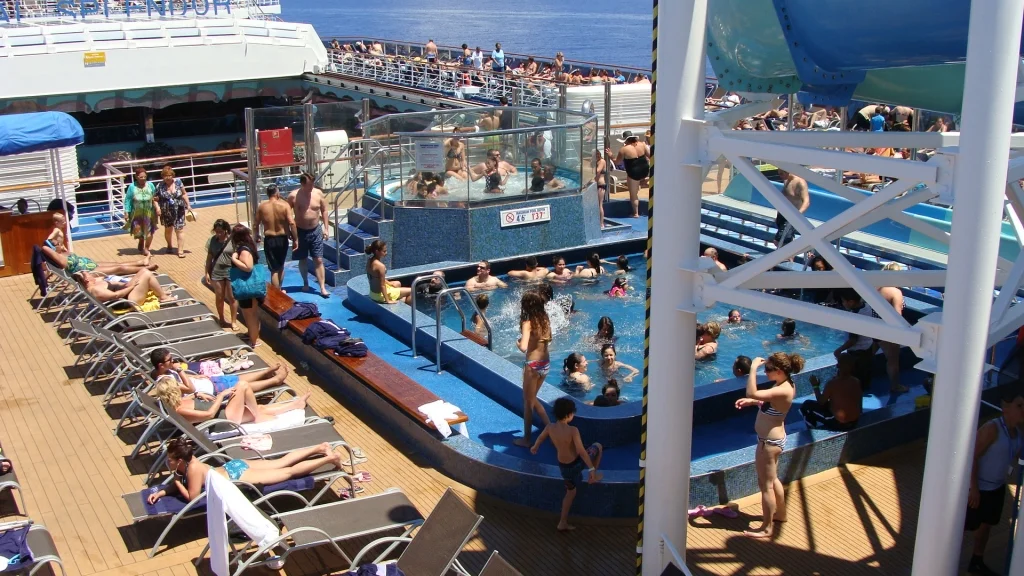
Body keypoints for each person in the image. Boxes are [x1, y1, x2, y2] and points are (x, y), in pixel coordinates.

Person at [145, 438, 341, 505]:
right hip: (234, 466)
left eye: (169, 459)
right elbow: (180, 481)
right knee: (281, 462)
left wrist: (176, 480)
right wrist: (162, 491)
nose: (167, 462)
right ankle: (320, 448)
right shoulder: (190, 461)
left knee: (288, 473)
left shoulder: (193, 470)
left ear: (179, 461)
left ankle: (329, 457)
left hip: (238, 476)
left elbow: (192, 497)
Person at [734, 353, 802, 538]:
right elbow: (771, 402)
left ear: (779, 371)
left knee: (766, 486)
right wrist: (755, 402)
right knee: (773, 480)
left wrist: (753, 369)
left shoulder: (783, 389)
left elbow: (752, 391)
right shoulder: (784, 384)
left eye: (768, 369)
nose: (766, 371)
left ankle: (767, 527)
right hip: (773, 439)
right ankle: (780, 514)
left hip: (769, 443)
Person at [964, 386, 1024, 576]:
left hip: (997, 488)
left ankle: (977, 560)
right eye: (1020, 405)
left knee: (986, 526)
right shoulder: (992, 429)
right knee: (964, 525)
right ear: (1006, 408)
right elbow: (971, 456)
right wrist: (973, 488)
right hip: (979, 488)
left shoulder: (1018, 435)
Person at [530, 397, 603, 531]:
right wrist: (591, 468)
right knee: (597, 446)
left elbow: (540, 438)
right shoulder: (573, 430)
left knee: (570, 492)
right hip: (576, 464)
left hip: (564, 467)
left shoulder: (550, 427)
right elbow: (581, 451)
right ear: (569, 415)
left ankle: (562, 522)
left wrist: (535, 447)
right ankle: (593, 476)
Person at [153, 375, 310, 425]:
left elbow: (198, 405)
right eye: (176, 386)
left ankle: (295, 404)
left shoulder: (179, 403)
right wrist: (220, 396)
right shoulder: (179, 410)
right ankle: (258, 417)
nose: (180, 386)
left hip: (223, 414)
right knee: (242, 385)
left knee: (258, 407)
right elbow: (208, 415)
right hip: (225, 420)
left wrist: (196, 396)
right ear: (173, 391)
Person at [150, 348, 289, 397]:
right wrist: (179, 370)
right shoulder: (165, 382)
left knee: (238, 377)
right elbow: (189, 388)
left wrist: (196, 375)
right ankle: (275, 381)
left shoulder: (164, 372)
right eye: (170, 360)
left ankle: (266, 372)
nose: (173, 361)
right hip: (215, 391)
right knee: (242, 385)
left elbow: (188, 381)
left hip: (209, 382)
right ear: (161, 365)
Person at [514, 291, 553, 447]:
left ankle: (527, 440)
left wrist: (518, 342)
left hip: (533, 365)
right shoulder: (545, 319)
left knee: (528, 403)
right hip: (545, 363)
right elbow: (548, 339)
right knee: (533, 399)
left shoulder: (528, 323)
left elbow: (523, 347)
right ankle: (551, 427)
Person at [289, 172, 330, 298]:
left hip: (315, 230)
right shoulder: (293, 196)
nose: (311, 187)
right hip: (300, 230)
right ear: (302, 184)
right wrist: (290, 231)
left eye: (312, 184)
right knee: (303, 259)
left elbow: (324, 210)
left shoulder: (318, 194)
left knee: (318, 259)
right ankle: (305, 282)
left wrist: (326, 228)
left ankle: (322, 287)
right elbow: (287, 213)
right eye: (308, 185)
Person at [800, 354, 861, 431]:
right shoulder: (856, 381)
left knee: (806, 406)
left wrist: (815, 386)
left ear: (838, 366)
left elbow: (821, 401)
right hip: (855, 422)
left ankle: (812, 430)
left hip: (840, 424)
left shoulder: (832, 383)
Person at [229, 225, 265, 347]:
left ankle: (254, 341)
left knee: (250, 315)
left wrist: (234, 259)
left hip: (247, 287)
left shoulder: (244, 250)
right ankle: (252, 334)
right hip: (249, 287)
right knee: (250, 314)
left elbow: (248, 267)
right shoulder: (248, 246)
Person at [254, 185, 296, 289]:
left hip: (270, 239)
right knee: (281, 266)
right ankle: (279, 290)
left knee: (274, 270)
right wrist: (296, 239)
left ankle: (277, 294)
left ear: (268, 194)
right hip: (282, 239)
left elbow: (255, 225)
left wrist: (257, 235)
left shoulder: (262, 207)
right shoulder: (285, 205)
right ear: (277, 193)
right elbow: (291, 223)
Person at [834, 289, 876, 392]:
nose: (843, 303)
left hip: (857, 354)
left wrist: (839, 350)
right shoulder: (867, 307)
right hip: (868, 348)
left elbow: (853, 340)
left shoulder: (855, 316)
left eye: (843, 301)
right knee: (865, 378)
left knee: (855, 381)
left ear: (851, 302)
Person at [878, 262, 909, 393]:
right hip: (889, 329)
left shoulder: (877, 288)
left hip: (873, 326)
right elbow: (897, 315)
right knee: (893, 360)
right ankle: (895, 386)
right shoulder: (895, 292)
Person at [75, 268, 176, 306]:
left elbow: (102, 278)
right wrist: (131, 287)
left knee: (143, 271)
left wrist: (129, 284)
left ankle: (160, 292)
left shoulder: (93, 284)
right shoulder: (95, 289)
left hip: (126, 293)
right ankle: (163, 297)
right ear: (87, 280)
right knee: (147, 274)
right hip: (129, 300)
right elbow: (116, 295)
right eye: (88, 274)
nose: (91, 274)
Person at [41, 245, 156, 276]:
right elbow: (44, 248)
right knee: (118, 268)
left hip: (90, 265)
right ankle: (144, 268)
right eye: (56, 244)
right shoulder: (61, 260)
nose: (59, 244)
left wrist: (61, 248)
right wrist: (55, 248)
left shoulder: (62, 254)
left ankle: (141, 262)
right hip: (88, 271)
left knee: (117, 263)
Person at [204, 219, 236, 329]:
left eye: (220, 232)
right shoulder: (213, 240)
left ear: (226, 230)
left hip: (231, 272)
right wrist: (206, 273)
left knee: (232, 298)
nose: (218, 234)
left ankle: (233, 321)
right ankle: (221, 319)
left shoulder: (233, 241)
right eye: (216, 231)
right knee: (219, 297)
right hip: (217, 273)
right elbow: (209, 258)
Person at [156, 165, 191, 258]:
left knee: (179, 229)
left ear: (173, 175)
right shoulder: (159, 185)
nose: (168, 177)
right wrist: (157, 208)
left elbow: (184, 193)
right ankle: (169, 245)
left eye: (170, 175)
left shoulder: (178, 182)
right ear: (163, 176)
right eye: (165, 176)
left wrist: (188, 205)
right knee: (168, 230)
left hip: (179, 209)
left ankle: (180, 250)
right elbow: (155, 199)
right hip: (166, 211)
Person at [124, 166, 159, 256]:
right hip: (137, 213)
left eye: (144, 177)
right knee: (138, 231)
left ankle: (146, 249)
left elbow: (155, 197)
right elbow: (128, 200)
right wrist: (126, 212)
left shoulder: (150, 185)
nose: (143, 179)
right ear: (136, 177)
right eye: (141, 177)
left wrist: (158, 208)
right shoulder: (132, 186)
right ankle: (141, 240)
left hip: (149, 212)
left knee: (150, 231)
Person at [614, 131, 649, 218]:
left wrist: (610, 155)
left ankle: (636, 213)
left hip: (633, 173)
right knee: (640, 179)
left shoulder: (624, 149)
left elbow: (617, 162)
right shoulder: (642, 144)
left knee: (633, 194)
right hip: (645, 171)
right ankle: (643, 180)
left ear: (626, 140)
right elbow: (650, 155)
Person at [365, 240, 411, 305]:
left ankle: (401, 299)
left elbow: (377, 278)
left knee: (397, 283)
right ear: (377, 251)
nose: (386, 253)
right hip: (379, 296)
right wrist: (388, 301)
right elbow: (382, 285)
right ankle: (408, 309)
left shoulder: (370, 260)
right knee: (412, 291)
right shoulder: (380, 266)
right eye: (384, 251)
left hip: (373, 293)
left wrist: (390, 283)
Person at [774, 170, 810, 248]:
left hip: (792, 216)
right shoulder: (786, 180)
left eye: (781, 173)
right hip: (782, 215)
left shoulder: (800, 183)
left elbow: (806, 202)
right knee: (787, 241)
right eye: (779, 174)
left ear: (787, 171)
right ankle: (788, 258)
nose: (780, 176)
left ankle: (783, 258)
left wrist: (798, 214)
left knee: (779, 241)